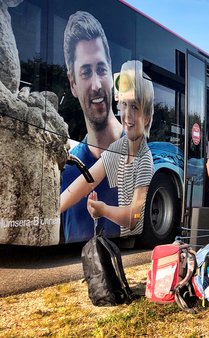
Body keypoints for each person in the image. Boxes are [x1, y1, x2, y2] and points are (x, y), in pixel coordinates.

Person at [60, 60, 154, 232]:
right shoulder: (119, 147)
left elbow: (134, 217)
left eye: (135, 107)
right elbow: (87, 181)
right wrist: (53, 209)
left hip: (122, 237)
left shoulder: (144, 159)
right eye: (124, 105)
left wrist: (103, 210)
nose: (127, 115)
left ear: (147, 117)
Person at [60, 11, 123, 242]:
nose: (96, 84)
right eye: (86, 72)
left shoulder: (137, 152)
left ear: (111, 72)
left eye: (101, 69)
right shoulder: (67, 171)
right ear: (73, 83)